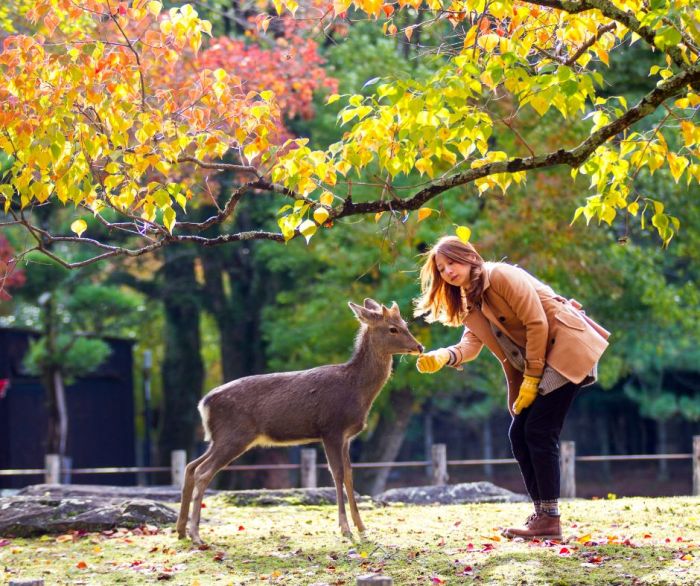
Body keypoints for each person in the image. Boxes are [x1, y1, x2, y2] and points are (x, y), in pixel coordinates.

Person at [414, 236, 610, 540]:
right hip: (541, 359)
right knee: (519, 434)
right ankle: (543, 515)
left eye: (451, 262)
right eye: (441, 269)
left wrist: (532, 378)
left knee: (539, 431)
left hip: (566, 347)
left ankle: (550, 518)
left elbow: (537, 323)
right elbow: (472, 342)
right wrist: (446, 356)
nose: (447, 271)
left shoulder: (500, 276)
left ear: (468, 257)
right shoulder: (470, 299)